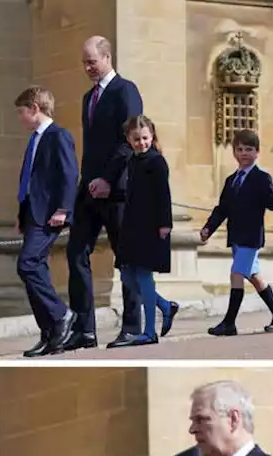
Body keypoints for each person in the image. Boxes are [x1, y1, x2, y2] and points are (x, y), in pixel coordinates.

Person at [63, 36, 166, 351]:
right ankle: (85, 329)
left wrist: (108, 179)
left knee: (128, 260)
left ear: (106, 57)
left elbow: (129, 141)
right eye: (84, 62)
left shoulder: (126, 90)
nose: (87, 68)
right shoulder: (86, 98)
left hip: (120, 189)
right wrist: (88, 182)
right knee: (75, 251)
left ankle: (133, 328)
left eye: (91, 61)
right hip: (90, 189)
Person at [200, 129, 273, 336]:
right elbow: (222, 209)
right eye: (240, 149)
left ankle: (229, 322)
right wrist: (208, 228)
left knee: (236, 274)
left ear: (257, 152)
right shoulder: (231, 180)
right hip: (236, 237)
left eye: (249, 150)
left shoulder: (261, 178)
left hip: (251, 237)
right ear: (234, 152)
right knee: (255, 276)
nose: (244, 154)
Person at [13, 85, 78, 357]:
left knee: (26, 264)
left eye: (21, 113)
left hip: (50, 215)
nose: (19, 118)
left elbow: (69, 174)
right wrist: (21, 214)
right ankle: (50, 333)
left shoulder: (58, 135)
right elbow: (30, 180)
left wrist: (64, 209)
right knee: (33, 268)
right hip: (32, 214)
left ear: (34, 108)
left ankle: (62, 314)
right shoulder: (33, 139)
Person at [110, 115, 175, 347]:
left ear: (152, 136)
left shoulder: (157, 162)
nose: (141, 143)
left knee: (144, 277)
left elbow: (163, 195)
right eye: (136, 139)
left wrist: (165, 224)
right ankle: (165, 306)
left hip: (151, 226)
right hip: (132, 226)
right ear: (128, 139)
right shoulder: (132, 161)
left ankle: (149, 331)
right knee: (128, 276)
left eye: (145, 138)